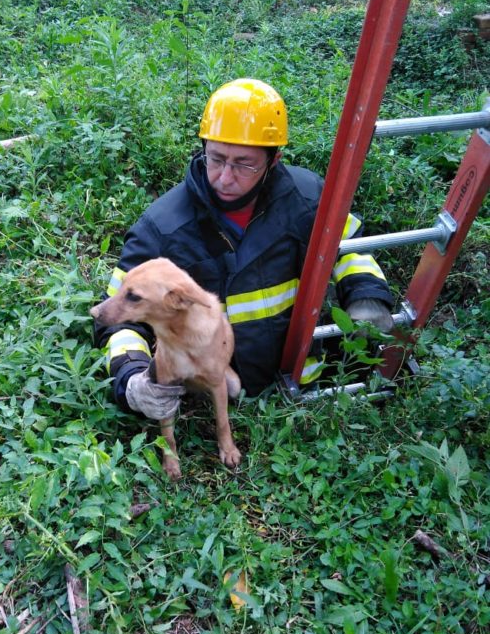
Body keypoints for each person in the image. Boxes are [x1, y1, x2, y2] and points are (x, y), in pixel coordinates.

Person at [93, 78, 393, 420]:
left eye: (244, 164)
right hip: (214, 402)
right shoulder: (163, 228)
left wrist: (366, 295)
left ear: (274, 159)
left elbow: (350, 246)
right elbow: (118, 321)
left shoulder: (307, 198)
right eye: (216, 158)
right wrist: (133, 380)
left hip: (302, 385)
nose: (224, 177)